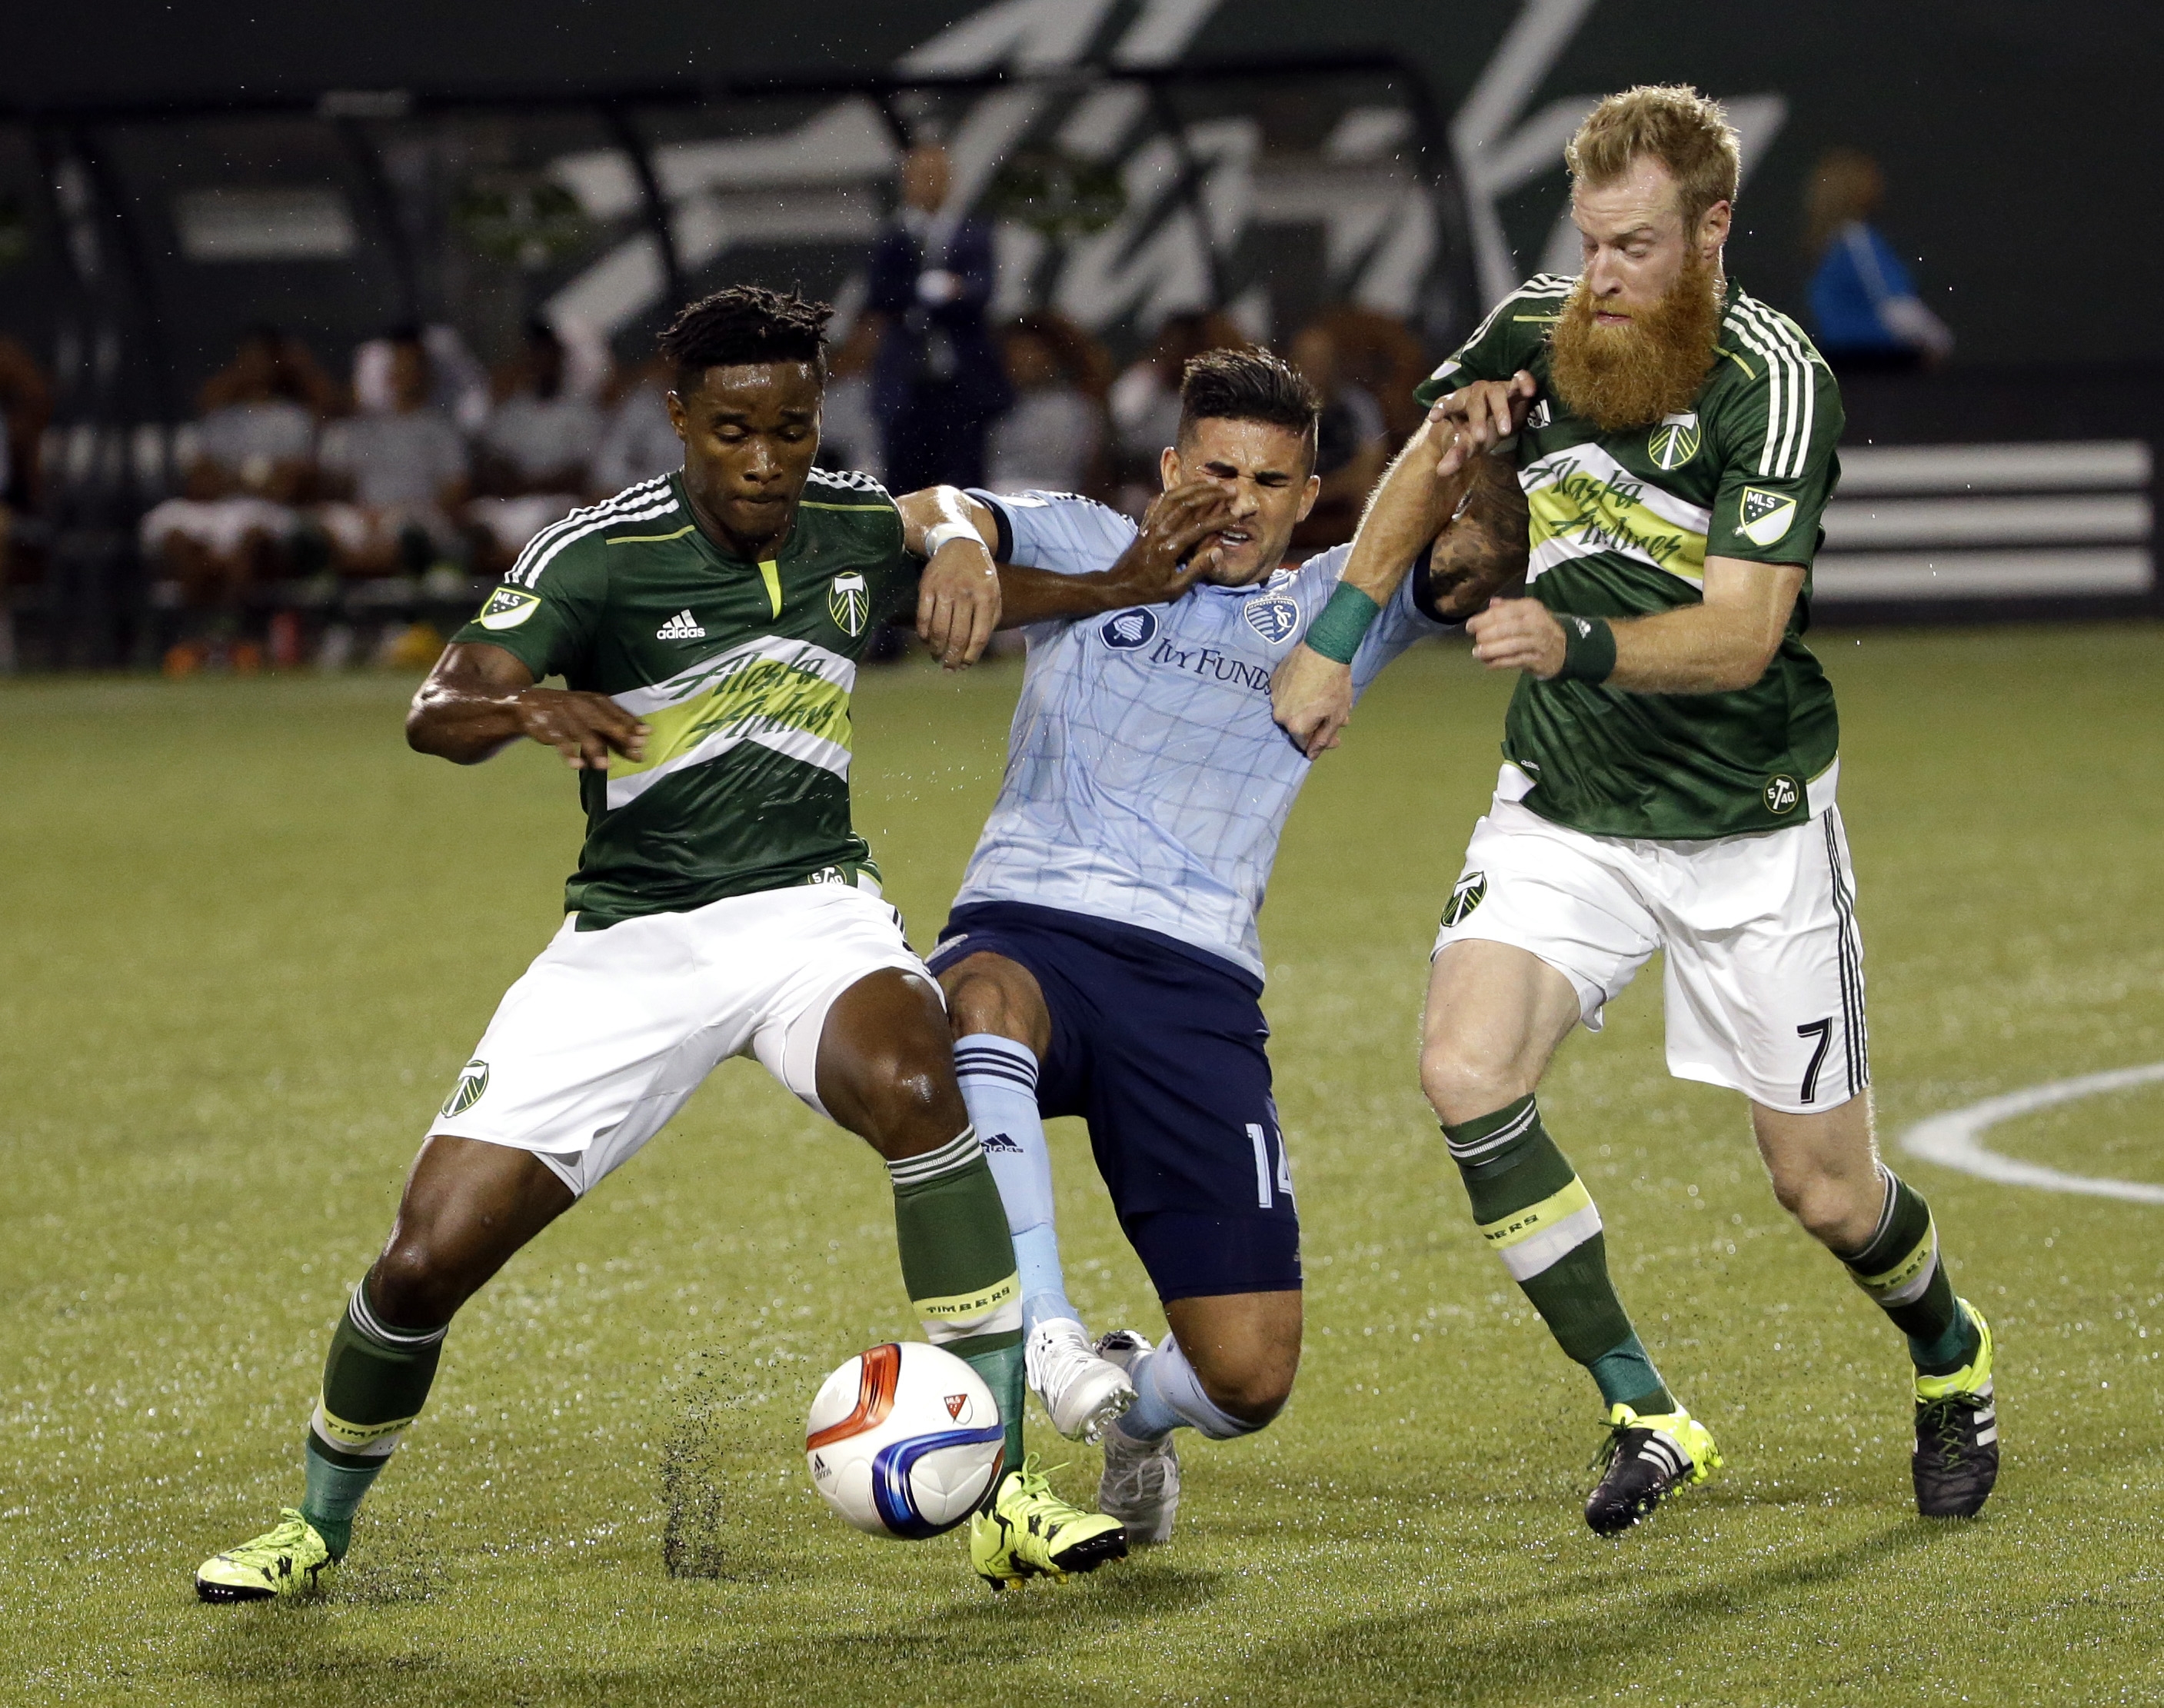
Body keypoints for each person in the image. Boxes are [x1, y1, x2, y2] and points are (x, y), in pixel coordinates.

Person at [191, 286, 1125, 1605]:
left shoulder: (846, 525)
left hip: (810, 915)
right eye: (734, 431)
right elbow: (436, 705)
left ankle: (1008, 1494)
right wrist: (526, 710)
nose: (765, 461)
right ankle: (315, 1524)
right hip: (630, 943)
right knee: (425, 1257)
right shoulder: (597, 553)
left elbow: (949, 523)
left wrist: (1031, 559)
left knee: (922, 1084)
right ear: (678, 418)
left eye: (791, 431)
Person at [1271, 85, 1999, 1533]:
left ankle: (1948, 1350)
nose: (1599, 277)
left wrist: (1572, 639)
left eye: (1634, 247)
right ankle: (1643, 1409)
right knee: (1464, 1069)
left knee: (1825, 1194)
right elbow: (1432, 464)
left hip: (1747, 826)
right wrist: (1335, 637)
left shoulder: (1771, 382)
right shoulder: (1540, 328)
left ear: (1712, 229)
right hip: (1565, 806)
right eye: (1588, 242)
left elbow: (1740, 634)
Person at [894, 348, 1523, 1543]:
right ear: (1171, 466)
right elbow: (928, 509)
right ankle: (1043, 1328)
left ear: (1309, 497)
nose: (1239, 502)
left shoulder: (1336, 605)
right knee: (975, 997)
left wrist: (1479, 441)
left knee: (1247, 1378)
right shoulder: (1090, 541)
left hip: (1195, 984)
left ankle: (1134, 1411)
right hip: (1031, 925)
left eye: (1271, 482)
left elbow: (1481, 556)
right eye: (1218, 472)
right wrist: (966, 545)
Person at [866, 143, 1011, 493]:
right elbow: (879, 294)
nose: (928, 184)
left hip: (961, 384)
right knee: (904, 485)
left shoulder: (973, 233)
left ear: (950, 180)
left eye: (936, 176)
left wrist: (945, 296)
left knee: (964, 485)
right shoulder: (893, 236)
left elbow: (981, 290)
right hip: (906, 382)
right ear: (906, 182)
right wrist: (927, 291)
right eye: (920, 176)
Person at [315, 331, 471, 578]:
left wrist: (401, 512)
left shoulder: (441, 429)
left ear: (425, 373)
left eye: (411, 365)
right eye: (398, 364)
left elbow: (455, 490)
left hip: (417, 517)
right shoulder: (362, 427)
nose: (403, 372)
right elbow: (341, 486)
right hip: (365, 516)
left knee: (404, 530)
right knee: (322, 528)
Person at [468, 320, 605, 576]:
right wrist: (514, 482)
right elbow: (495, 463)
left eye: (548, 356)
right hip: (513, 504)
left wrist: (536, 484)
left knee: (564, 521)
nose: (542, 363)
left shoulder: (582, 411)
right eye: (536, 356)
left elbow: (583, 473)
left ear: (560, 359)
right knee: (478, 518)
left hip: (555, 503)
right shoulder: (512, 411)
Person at [1803, 148, 1954, 372]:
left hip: (1844, 362)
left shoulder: (1832, 242)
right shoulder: (1855, 241)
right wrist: (1938, 340)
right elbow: (1893, 305)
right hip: (1873, 361)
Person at [1286, 320, 1389, 552]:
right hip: (1292, 487)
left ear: (1335, 363)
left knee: (1370, 486)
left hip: (1339, 487)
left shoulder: (1359, 405)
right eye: (1307, 358)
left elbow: (1372, 459)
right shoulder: (1279, 407)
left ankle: (1368, 558)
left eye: (1321, 359)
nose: (1315, 367)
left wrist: (1324, 491)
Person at [984, 315, 1107, 496]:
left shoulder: (1078, 409)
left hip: (1060, 499)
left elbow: (1091, 473)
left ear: (1054, 356)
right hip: (992, 497)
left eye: (1035, 351)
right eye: (1019, 351)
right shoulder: (988, 405)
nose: (1027, 360)